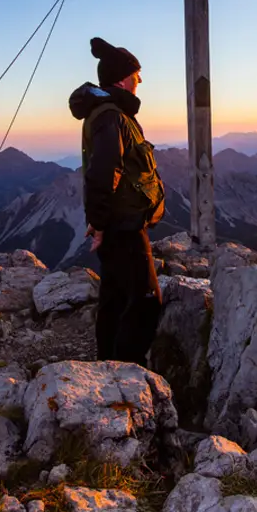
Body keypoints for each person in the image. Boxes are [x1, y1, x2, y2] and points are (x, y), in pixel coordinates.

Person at [68, 37, 166, 366]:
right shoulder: (112, 116)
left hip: (117, 224)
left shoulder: (109, 114)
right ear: (124, 79)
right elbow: (104, 171)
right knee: (146, 299)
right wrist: (99, 223)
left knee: (114, 297)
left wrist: (100, 222)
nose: (140, 83)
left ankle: (106, 366)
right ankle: (127, 375)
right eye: (138, 77)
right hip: (123, 226)